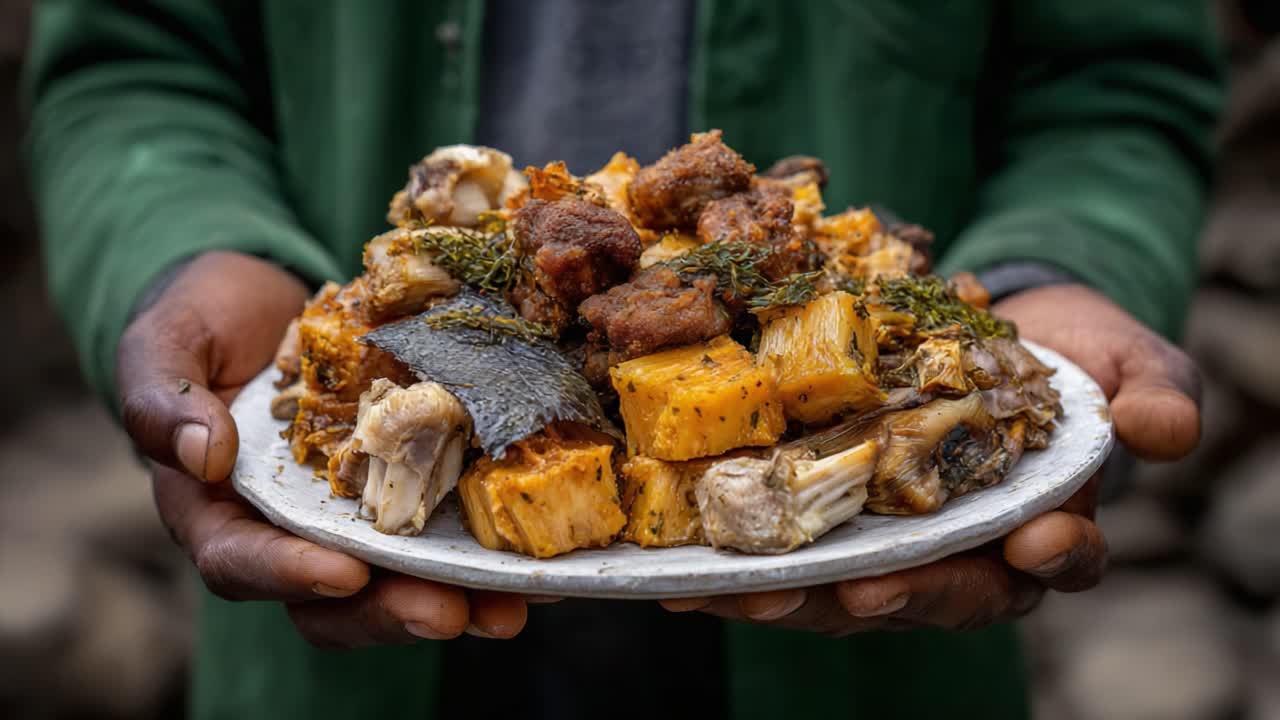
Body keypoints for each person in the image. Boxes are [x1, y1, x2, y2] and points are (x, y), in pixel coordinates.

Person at [23, 1, 1220, 718]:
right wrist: (180, 249)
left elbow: (1108, 82)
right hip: (346, 651)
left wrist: (1060, 269)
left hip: (877, 675)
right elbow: (138, 58)